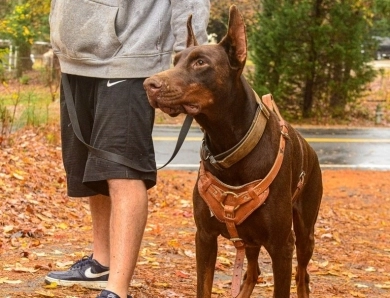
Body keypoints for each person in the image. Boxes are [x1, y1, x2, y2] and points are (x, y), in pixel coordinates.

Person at [45, 1, 210, 298]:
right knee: (92, 168)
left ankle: (117, 290)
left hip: (132, 57)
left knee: (122, 171)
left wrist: (188, 68)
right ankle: (101, 264)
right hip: (75, 61)